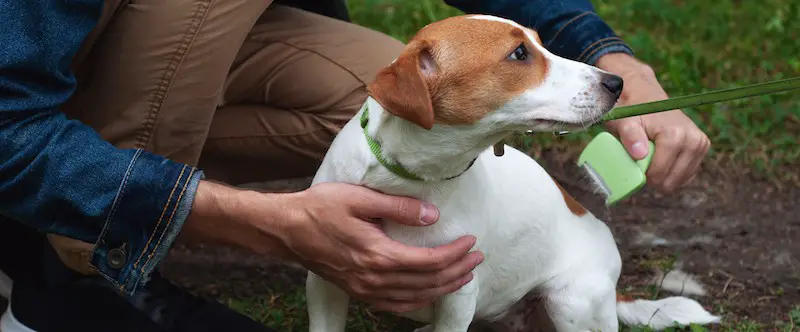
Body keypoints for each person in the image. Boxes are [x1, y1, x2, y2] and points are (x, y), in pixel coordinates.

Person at [0, 0, 711, 331]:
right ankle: (75, 271)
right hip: (31, 60)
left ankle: (111, 159)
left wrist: (603, 50)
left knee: (401, 111)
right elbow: (7, 126)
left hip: (195, 28)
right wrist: (265, 224)